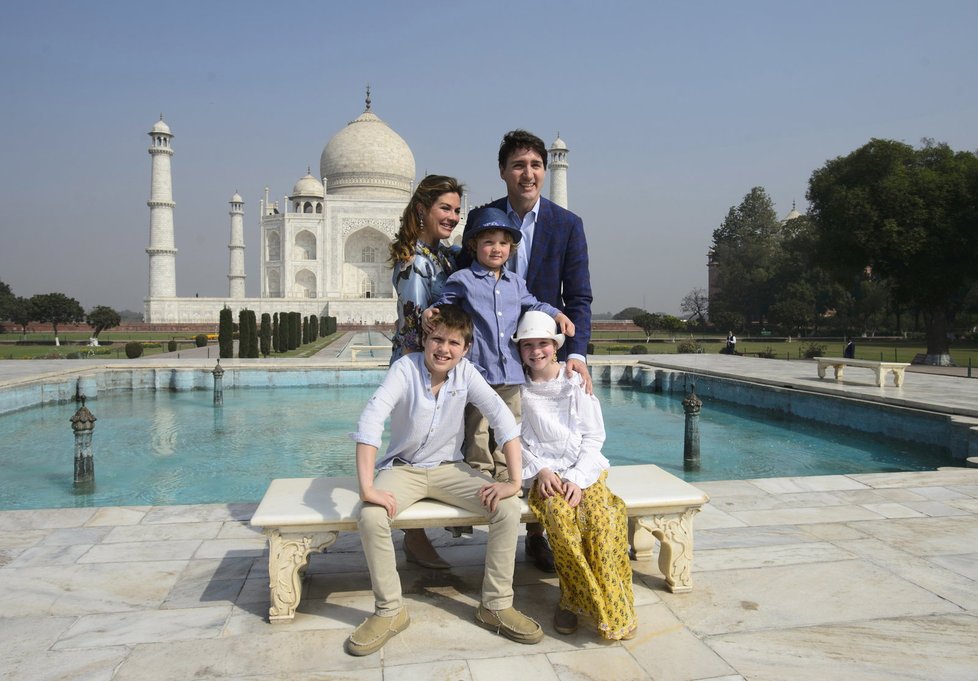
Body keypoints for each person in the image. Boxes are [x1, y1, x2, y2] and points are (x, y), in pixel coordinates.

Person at [345, 305, 543, 656]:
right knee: (371, 515)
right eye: (437, 338)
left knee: (507, 508)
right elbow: (371, 420)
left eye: (454, 342)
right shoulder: (405, 369)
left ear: (465, 349)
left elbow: (503, 418)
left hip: (449, 469)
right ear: (425, 339)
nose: (443, 348)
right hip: (404, 469)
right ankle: (389, 610)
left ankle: (495, 604)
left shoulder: (466, 373)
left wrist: (513, 481)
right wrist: (368, 489)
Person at [457, 129, 593, 572]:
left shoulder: (566, 225)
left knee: (537, 434)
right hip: (486, 350)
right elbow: (461, 283)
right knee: (482, 432)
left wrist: (577, 353)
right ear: (503, 172)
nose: (528, 173)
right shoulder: (482, 217)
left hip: (536, 349)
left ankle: (540, 533)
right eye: (519, 165)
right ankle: (484, 509)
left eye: (536, 165)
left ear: (546, 169)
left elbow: (578, 297)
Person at [427, 207, 574, 502]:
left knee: (510, 425)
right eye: (488, 242)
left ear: (511, 248)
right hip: (477, 371)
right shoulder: (464, 279)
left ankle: (508, 477)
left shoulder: (515, 283)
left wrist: (558, 314)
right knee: (478, 429)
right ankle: (479, 478)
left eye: (503, 243)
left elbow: (533, 304)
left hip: (509, 372)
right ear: (474, 245)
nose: (496, 248)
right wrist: (431, 313)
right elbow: (445, 304)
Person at [513, 311, 637, 641]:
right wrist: (541, 470)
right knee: (561, 522)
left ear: (555, 346)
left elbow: (594, 436)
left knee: (598, 521)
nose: (536, 351)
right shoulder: (520, 390)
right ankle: (572, 599)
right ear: (520, 350)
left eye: (543, 344)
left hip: (584, 473)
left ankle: (614, 603)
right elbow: (517, 440)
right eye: (528, 345)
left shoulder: (575, 382)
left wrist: (578, 479)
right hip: (546, 477)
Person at [387, 174, 465, 569]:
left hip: (439, 366)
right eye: (444, 208)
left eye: (455, 209)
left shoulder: (444, 256)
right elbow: (415, 321)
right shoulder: (416, 260)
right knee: (411, 449)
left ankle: (423, 531)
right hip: (418, 367)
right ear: (422, 210)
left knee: (434, 448)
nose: (452, 216)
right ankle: (414, 539)